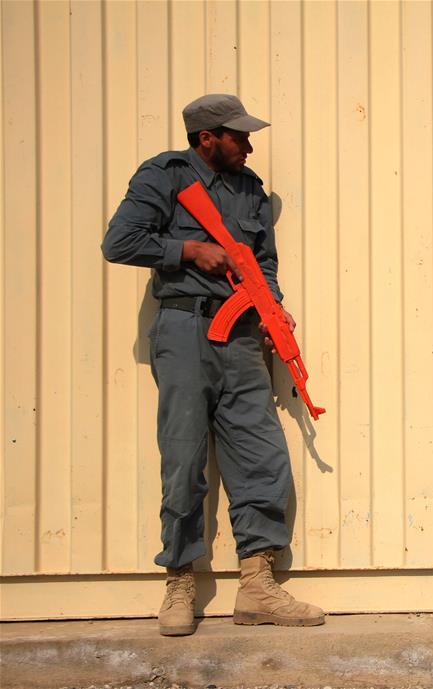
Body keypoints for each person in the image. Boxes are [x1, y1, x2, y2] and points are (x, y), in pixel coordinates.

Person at [102, 93, 324, 635]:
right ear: (207, 138)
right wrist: (189, 251)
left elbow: (262, 261)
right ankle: (179, 580)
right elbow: (118, 241)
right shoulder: (165, 176)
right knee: (183, 458)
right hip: (183, 329)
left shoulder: (249, 187)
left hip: (243, 334)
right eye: (239, 136)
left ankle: (257, 586)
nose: (249, 145)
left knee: (263, 455)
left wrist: (273, 311)